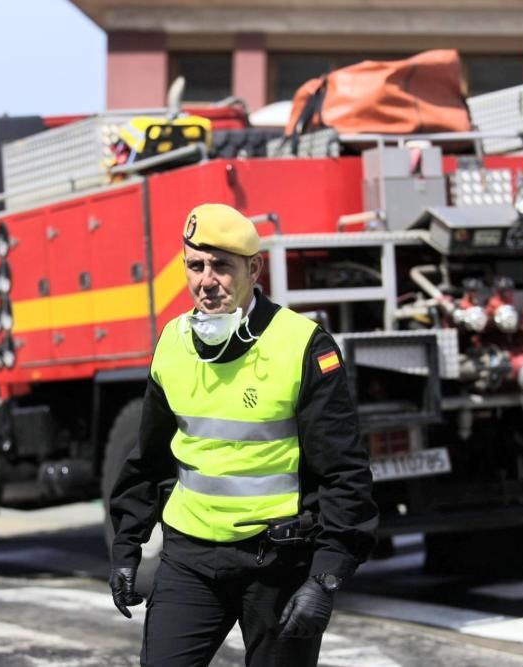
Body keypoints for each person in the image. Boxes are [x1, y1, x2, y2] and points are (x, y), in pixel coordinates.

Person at [108, 202, 378, 666]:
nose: (206, 281)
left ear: (254, 268)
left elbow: (344, 471)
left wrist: (325, 578)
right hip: (190, 561)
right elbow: (148, 459)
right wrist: (127, 547)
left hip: (278, 564)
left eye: (221, 266)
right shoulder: (172, 343)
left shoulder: (302, 346)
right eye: (195, 266)